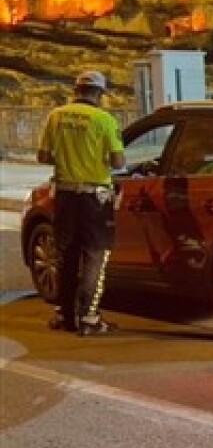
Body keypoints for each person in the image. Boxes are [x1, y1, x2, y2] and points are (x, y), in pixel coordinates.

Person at [37, 70, 125, 336]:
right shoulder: (104, 120)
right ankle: (88, 317)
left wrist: (68, 160)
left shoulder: (56, 116)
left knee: (66, 254)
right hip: (94, 198)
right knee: (95, 255)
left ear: (76, 90)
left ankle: (65, 314)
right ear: (98, 94)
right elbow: (119, 162)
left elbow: (43, 156)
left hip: (64, 196)